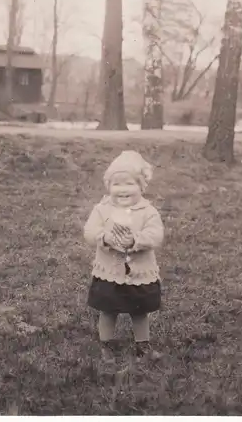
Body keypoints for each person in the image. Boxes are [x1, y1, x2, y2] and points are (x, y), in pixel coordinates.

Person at [84, 150, 164, 362]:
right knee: (108, 310)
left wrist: (137, 240)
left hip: (138, 273)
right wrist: (105, 238)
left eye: (129, 184)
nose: (122, 189)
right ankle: (106, 345)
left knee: (140, 312)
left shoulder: (148, 211)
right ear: (108, 186)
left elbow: (156, 235)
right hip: (109, 271)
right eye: (116, 184)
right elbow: (90, 232)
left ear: (141, 186)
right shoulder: (102, 209)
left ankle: (143, 346)